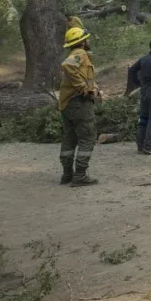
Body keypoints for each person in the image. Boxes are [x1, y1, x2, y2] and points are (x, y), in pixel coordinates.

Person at [58, 27, 100, 186]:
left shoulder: (78, 55)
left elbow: (84, 76)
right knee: (88, 136)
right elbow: (68, 65)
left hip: (67, 103)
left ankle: (67, 174)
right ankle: (80, 175)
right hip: (79, 103)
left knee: (70, 138)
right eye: (86, 39)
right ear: (82, 42)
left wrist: (93, 87)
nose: (88, 41)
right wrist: (82, 87)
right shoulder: (79, 54)